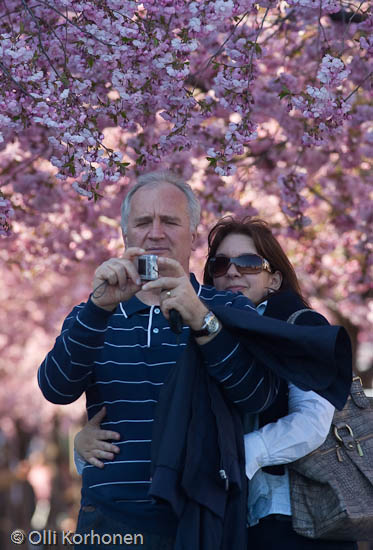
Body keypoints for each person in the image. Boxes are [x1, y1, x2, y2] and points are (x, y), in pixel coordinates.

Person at [75, 215, 356, 550]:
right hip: (229, 517)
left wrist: (243, 455)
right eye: (221, 264)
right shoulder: (206, 333)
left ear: (275, 278)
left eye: (250, 263)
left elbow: (311, 422)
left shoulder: (298, 327)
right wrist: (82, 447)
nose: (233, 272)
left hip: (293, 516)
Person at [38, 171, 285, 550]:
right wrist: (98, 309)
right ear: (126, 235)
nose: (156, 233)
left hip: (203, 518)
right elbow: (55, 388)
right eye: (143, 222)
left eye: (169, 221)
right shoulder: (95, 312)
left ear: (192, 233)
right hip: (110, 520)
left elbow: (257, 395)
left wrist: (201, 319)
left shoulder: (229, 307)